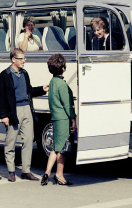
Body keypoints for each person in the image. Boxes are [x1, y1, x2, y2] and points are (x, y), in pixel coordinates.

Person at [0, 48, 48, 182]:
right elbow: (0, 98)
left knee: (28, 140)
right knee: (10, 141)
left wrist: (42, 89)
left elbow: (28, 91)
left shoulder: (24, 73)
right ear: (13, 59)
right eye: (21, 59)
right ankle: (11, 171)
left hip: (27, 109)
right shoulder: (5, 75)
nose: (24, 61)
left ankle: (26, 171)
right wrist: (3, 115)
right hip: (14, 112)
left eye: (24, 58)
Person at [41, 54, 76, 186]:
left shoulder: (53, 82)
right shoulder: (62, 84)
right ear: (63, 67)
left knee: (55, 147)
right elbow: (67, 105)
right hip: (63, 119)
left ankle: (47, 174)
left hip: (55, 118)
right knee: (62, 149)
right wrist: (73, 119)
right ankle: (59, 175)